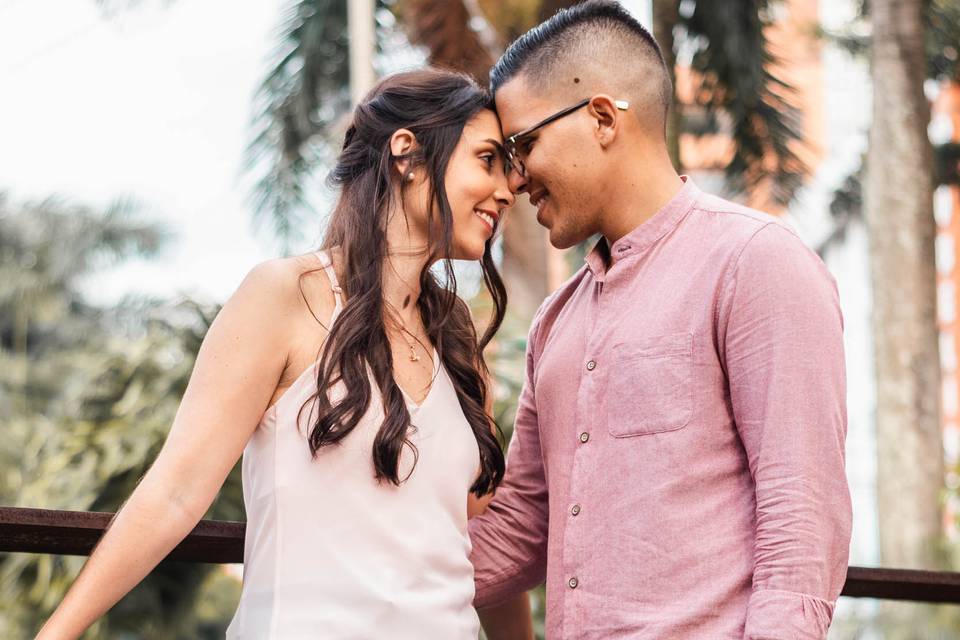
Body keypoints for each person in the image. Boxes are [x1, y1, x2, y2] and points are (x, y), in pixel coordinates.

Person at [37, 68, 516, 639]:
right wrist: (55, 635)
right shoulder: (285, 296)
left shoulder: (459, 338)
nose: (507, 190)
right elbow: (176, 493)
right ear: (406, 154)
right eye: (487, 160)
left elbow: (472, 544)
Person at [470, 2, 853, 639]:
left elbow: (801, 517)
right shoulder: (554, 322)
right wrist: (371, 573)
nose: (515, 178)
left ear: (600, 118)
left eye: (523, 145)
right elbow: (522, 528)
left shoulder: (756, 263)